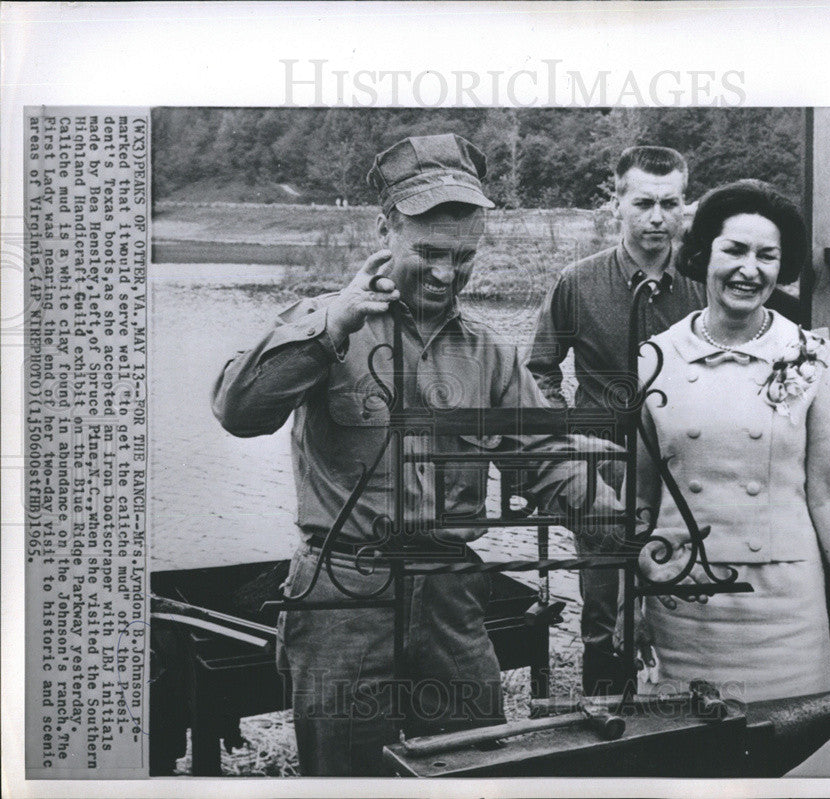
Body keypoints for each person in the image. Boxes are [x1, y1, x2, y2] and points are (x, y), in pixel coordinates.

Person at [211, 133, 620, 776]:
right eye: (428, 252)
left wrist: (625, 528)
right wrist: (329, 329)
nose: (446, 273)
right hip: (341, 598)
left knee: (476, 765)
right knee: (348, 775)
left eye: (464, 256)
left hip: (449, 598)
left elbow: (548, 459)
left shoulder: (490, 353)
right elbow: (238, 412)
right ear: (386, 228)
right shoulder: (326, 321)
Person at [632, 179, 830, 776]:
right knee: (692, 764)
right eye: (735, 250)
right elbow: (642, 491)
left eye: (768, 256)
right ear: (704, 251)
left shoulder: (809, 357)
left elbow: (829, 492)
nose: (749, 270)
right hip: (686, 599)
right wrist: (630, 595)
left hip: (783, 610)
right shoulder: (655, 356)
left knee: (791, 768)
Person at [526, 146, 707, 695]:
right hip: (603, 472)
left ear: (685, 206)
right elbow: (539, 369)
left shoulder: (707, 283)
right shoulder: (577, 282)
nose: (657, 217)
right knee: (605, 613)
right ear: (617, 203)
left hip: (686, 467)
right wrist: (568, 442)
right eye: (644, 202)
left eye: (670, 203)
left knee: (687, 591)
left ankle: (679, 721)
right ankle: (603, 723)